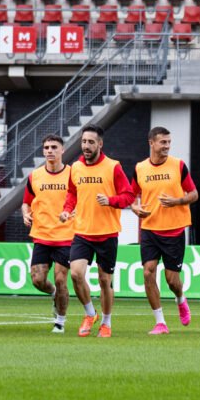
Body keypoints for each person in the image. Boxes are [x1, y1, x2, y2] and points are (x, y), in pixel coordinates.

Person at [59, 124, 135, 338]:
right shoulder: (75, 167)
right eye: (84, 141)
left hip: (107, 233)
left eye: (91, 142)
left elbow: (128, 196)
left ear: (100, 144)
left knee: (104, 281)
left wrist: (110, 200)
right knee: (75, 273)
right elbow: (72, 194)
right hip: (82, 231)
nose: (86, 145)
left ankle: (106, 322)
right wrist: (66, 210)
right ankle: (89, 313)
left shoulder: (113, 167)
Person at [132, 127, 198, 335]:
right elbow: (131, 195)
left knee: (171, 280)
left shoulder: (178, 166)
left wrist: (178, 201)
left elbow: (194, 194)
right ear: (151, 143)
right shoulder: (140, 168)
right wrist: (135, 207)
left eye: (169, 142)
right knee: (148, 272)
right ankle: (160, 322)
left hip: (174, 230)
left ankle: (180, 298)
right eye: (163, 142)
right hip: (150, 229)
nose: (167, 146)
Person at [21, 134, 74, 334]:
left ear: (63, 150)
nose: (50, 150)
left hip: (66, 236)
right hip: (41, 235)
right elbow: (26, 202)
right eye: (46, 147)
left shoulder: (72, 174)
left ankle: (60, 321)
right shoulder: (35, 176)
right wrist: (26, 214)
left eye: (54, 147)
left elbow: (80, 199)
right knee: (37, 280)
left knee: (61, 279)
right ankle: (53, 293)